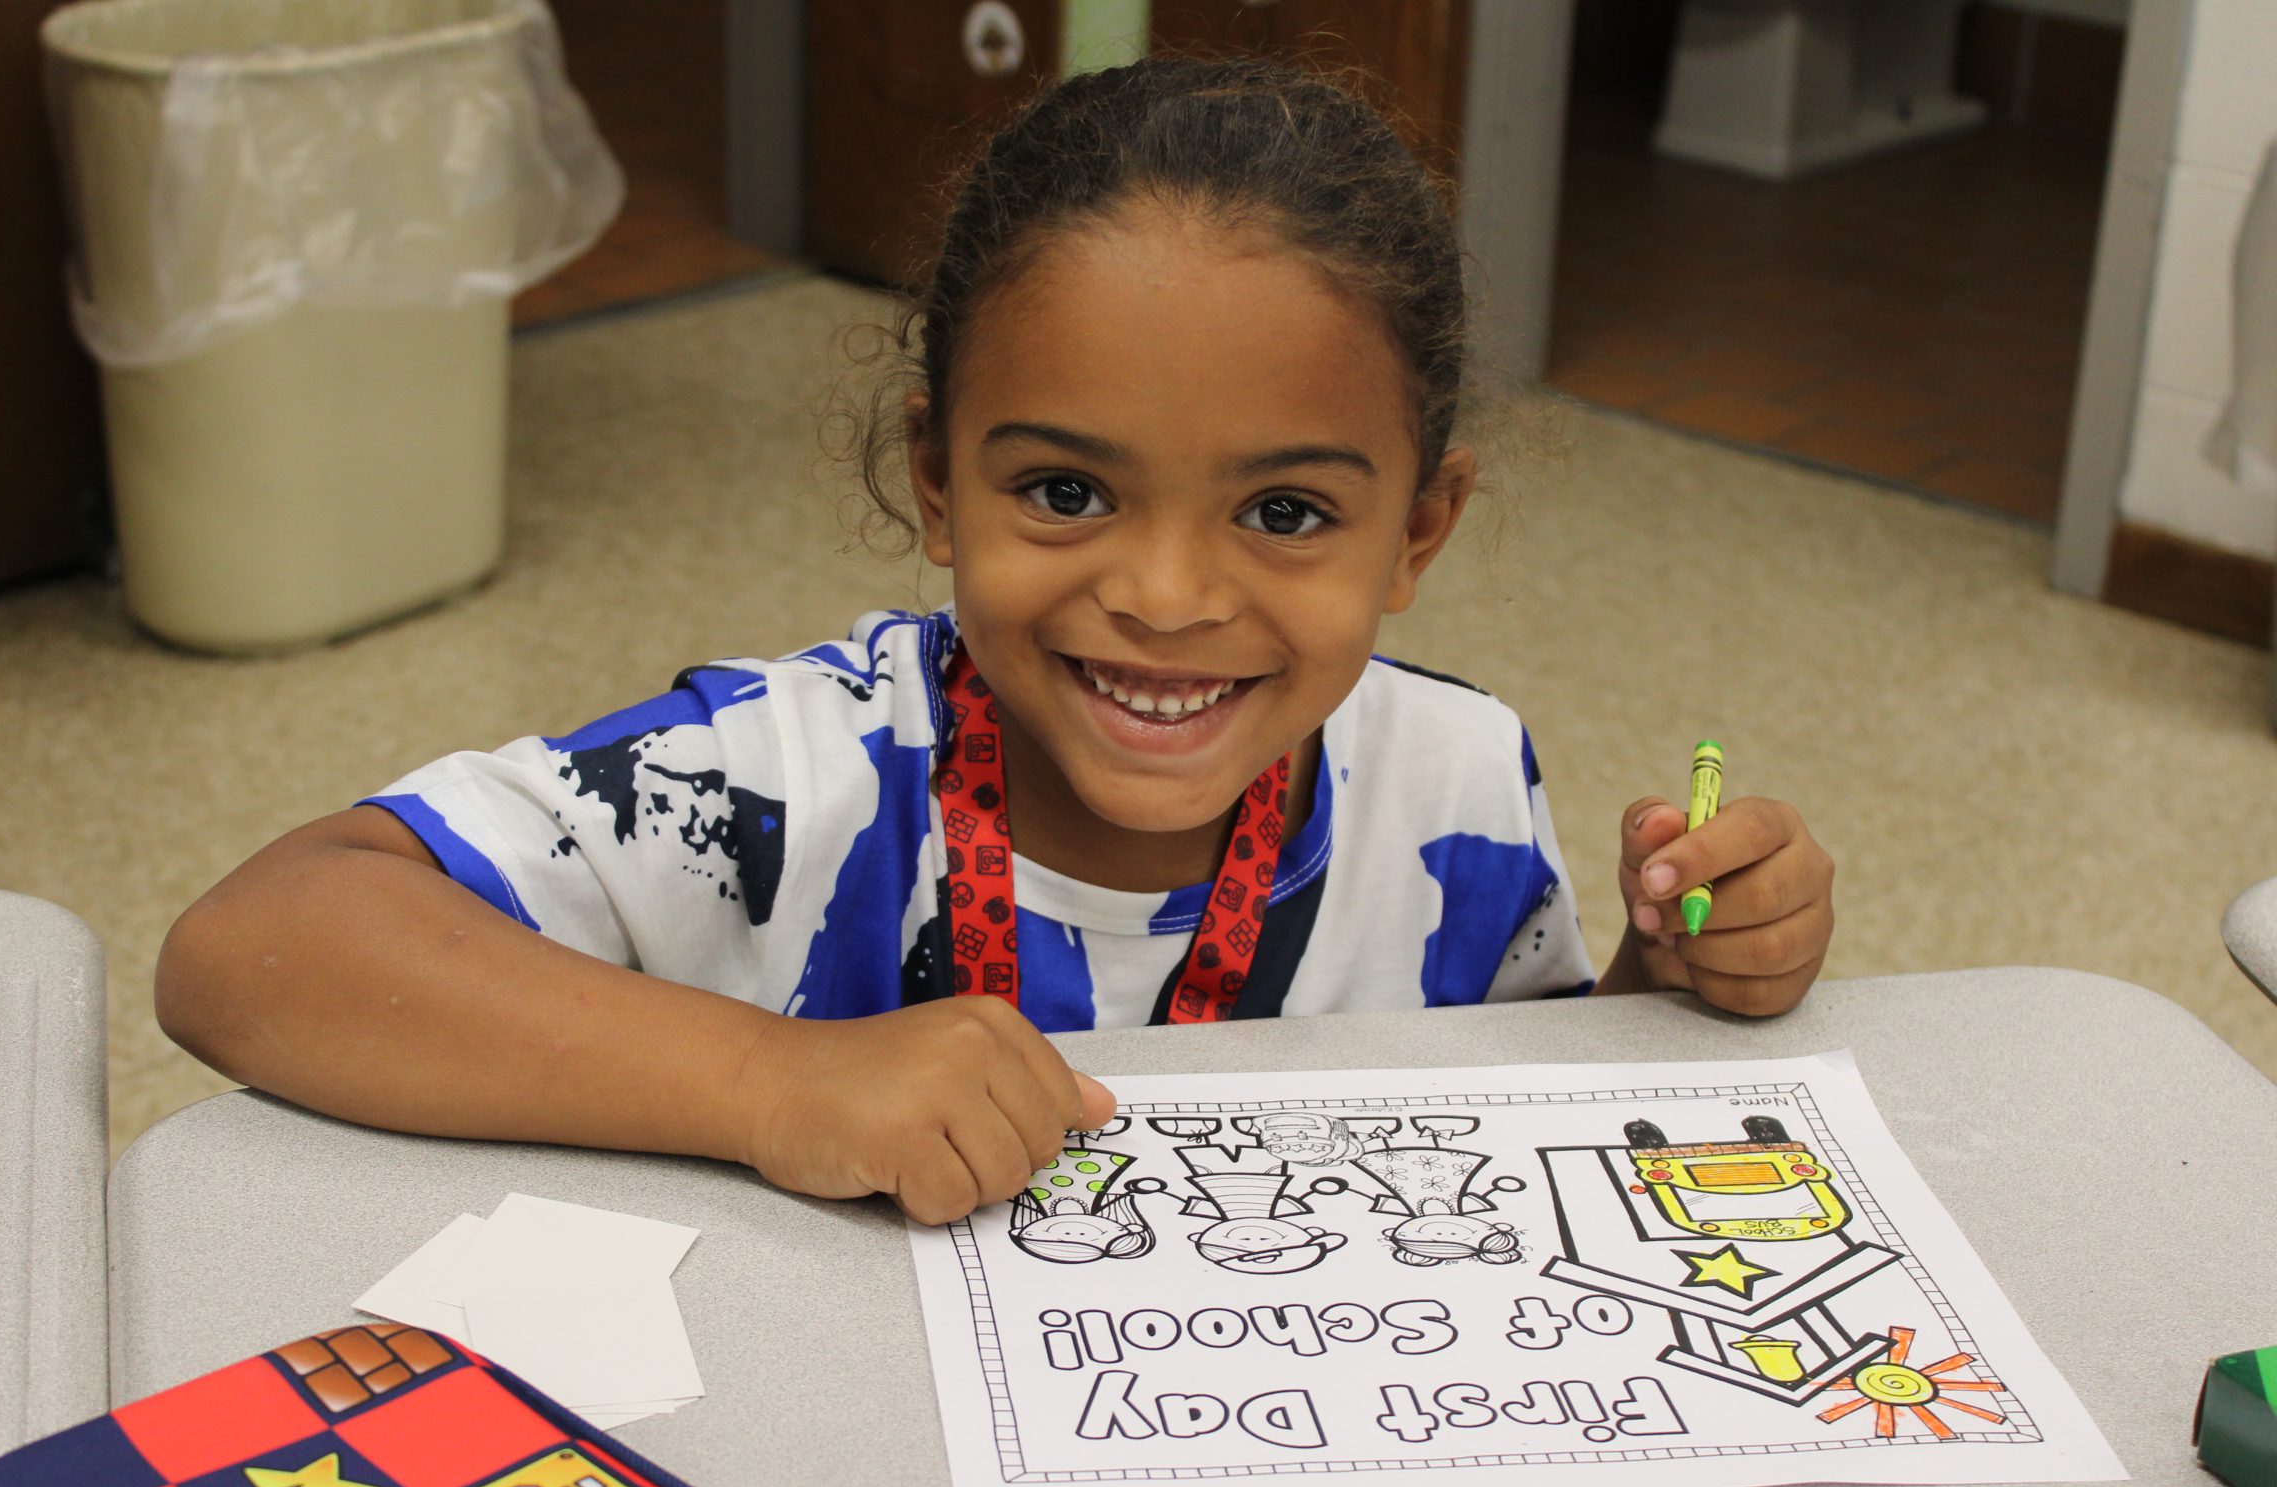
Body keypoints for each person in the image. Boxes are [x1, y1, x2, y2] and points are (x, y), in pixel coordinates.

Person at [156, 56, 1835, 1228]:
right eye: (1063, 489)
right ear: (935, 483)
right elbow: (256, 948)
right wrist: (771, 1083)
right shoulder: (776, 783)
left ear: (1420, 532)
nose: (1169, 596)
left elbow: (1509, 1120)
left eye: (1288, 515)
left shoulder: (1458, 782)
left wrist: (1670, 986)